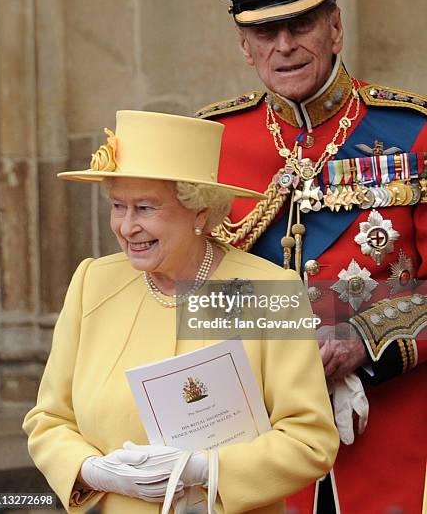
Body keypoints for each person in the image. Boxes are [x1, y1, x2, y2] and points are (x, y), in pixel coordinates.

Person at [197, 0, 427, 513]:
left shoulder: (413, 131)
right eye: (264, 33)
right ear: (244, 45)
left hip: (394, 434)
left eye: (301, 24)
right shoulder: (209, 143)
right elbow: (183, 288)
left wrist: (366, 340)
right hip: (260, 438)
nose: (285, 46)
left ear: (335, 27)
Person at [23, 110, 339, 514]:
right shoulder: (93, 283)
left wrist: (206, 469)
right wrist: (93, 471)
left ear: (200, 211)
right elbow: (48, 419)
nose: (125, 227)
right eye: (118, 206)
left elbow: (308, 441)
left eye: (145, 208)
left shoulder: (267, 290)